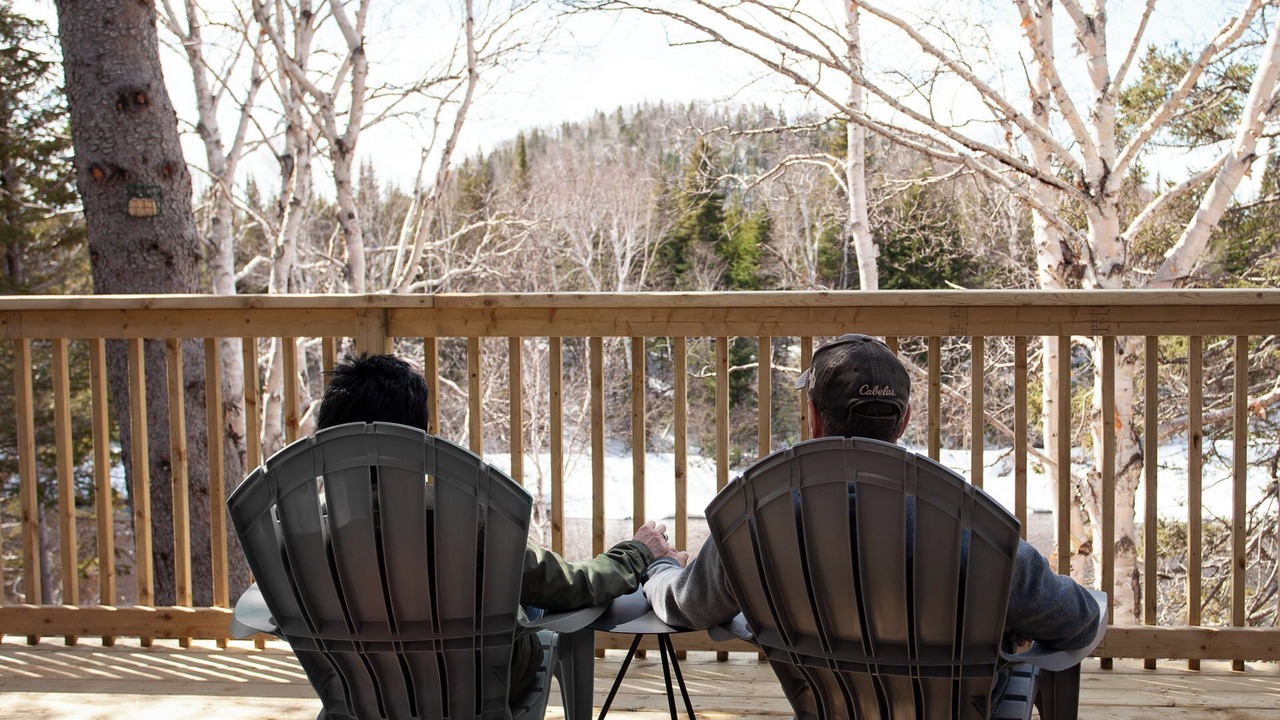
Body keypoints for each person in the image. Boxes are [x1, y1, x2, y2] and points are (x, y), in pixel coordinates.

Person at [643, 333, 1101, 652]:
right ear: (902, 422)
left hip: (827, 700)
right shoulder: (961, 524)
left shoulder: (762, 516)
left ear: (815, 419)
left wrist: (659, 566)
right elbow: (1076, 621)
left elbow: (687, 605)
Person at [315, 353, 684, 702]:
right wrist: (639, 551)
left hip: (359, 687)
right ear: (419, 440)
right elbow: (573, 586)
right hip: (475, 688)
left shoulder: (307, 527)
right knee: (522, 592)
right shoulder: (458, 518)